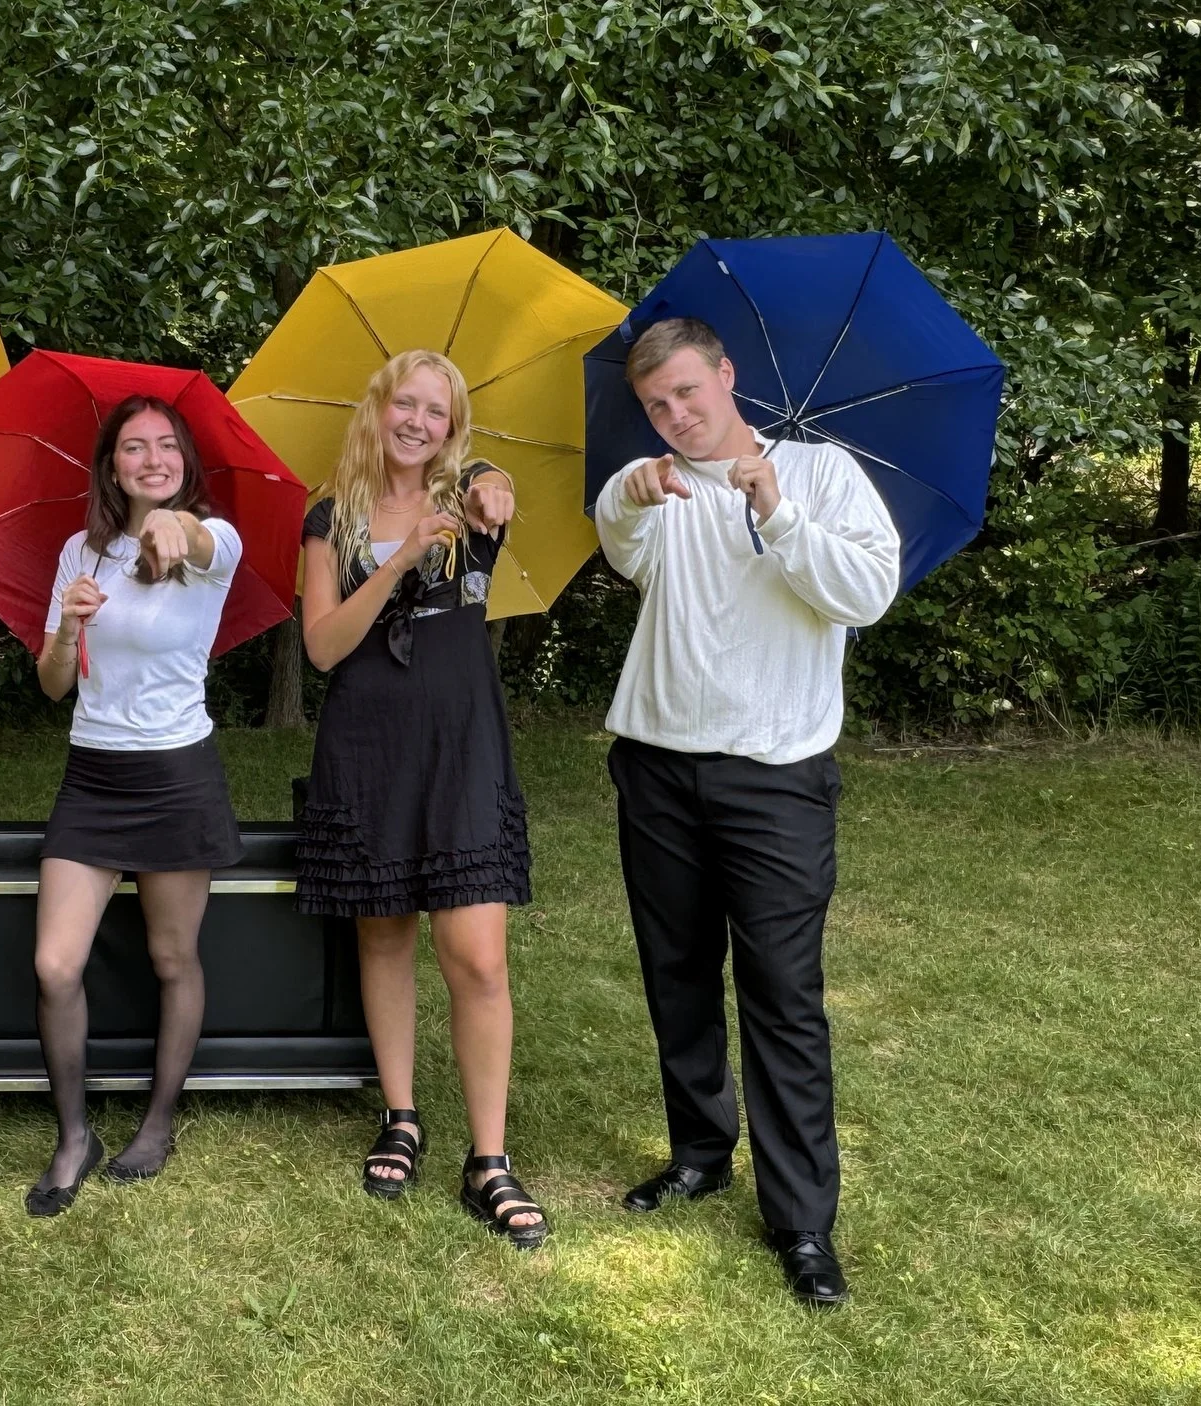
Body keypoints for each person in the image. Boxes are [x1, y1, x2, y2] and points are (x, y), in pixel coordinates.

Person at [593, 316, 899, 1308]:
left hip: (776, 774)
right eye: (655, 404)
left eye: (687, 391)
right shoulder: (656, 483)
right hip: (658, 761)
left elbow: (866, 592)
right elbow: (621, 545)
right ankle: (696, 1151)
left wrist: (782, 516)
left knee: (780, 989)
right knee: (675, 971)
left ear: (726, 376)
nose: (675, 414)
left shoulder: (822, 473)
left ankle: (802, 1219)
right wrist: (631, 491)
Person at [296, 349, 547, 1249]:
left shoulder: (470, 502)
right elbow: (324, 647)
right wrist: (398, 558)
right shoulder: (331, 517)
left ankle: (490, 1160)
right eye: (405, 403)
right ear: (379, 409)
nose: (417, 421)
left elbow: (495, 488)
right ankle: (400, 1115)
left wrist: (491, 482)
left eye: (436, 411)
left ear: (452, 425)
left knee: (477, 955)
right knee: (385, 931)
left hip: (462, 743)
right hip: (369, 741)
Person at [25, 396, 246, 1215]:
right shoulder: (82, 555)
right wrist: (64, 627)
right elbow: (53, 684)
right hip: (92, 775)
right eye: (132, 448)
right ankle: (73, 1135)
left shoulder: (214, 544)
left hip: (177, 773)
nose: (150, 458)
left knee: (172, 960)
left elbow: (185, 538)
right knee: (55, 965)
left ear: (184, 461)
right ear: (111, 464)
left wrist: (169, 528)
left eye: (165, 446)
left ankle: (158, 1121)